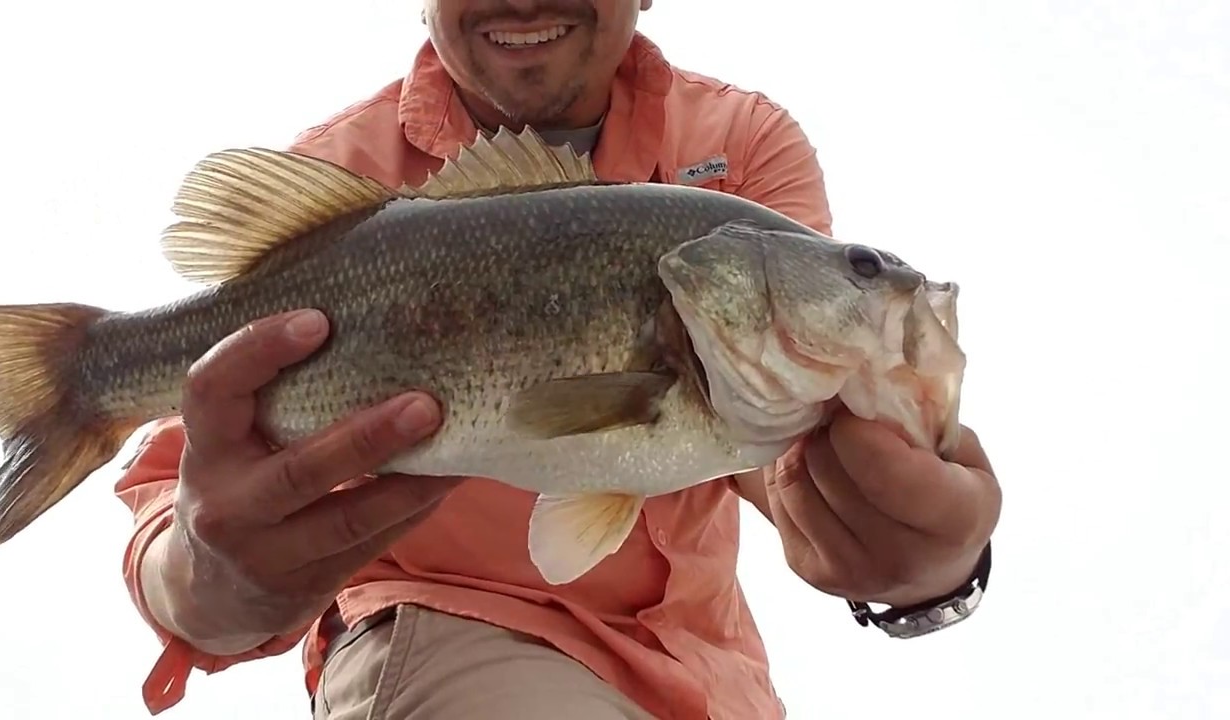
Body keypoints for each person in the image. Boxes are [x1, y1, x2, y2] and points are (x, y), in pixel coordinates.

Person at [116, 2, 1003, 718]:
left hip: (716, 683)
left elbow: (769, 453)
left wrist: (915, 560)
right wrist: (205, 583)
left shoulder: (741, 142)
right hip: (445, 639)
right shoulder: (338, 180)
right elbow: (178, 483)